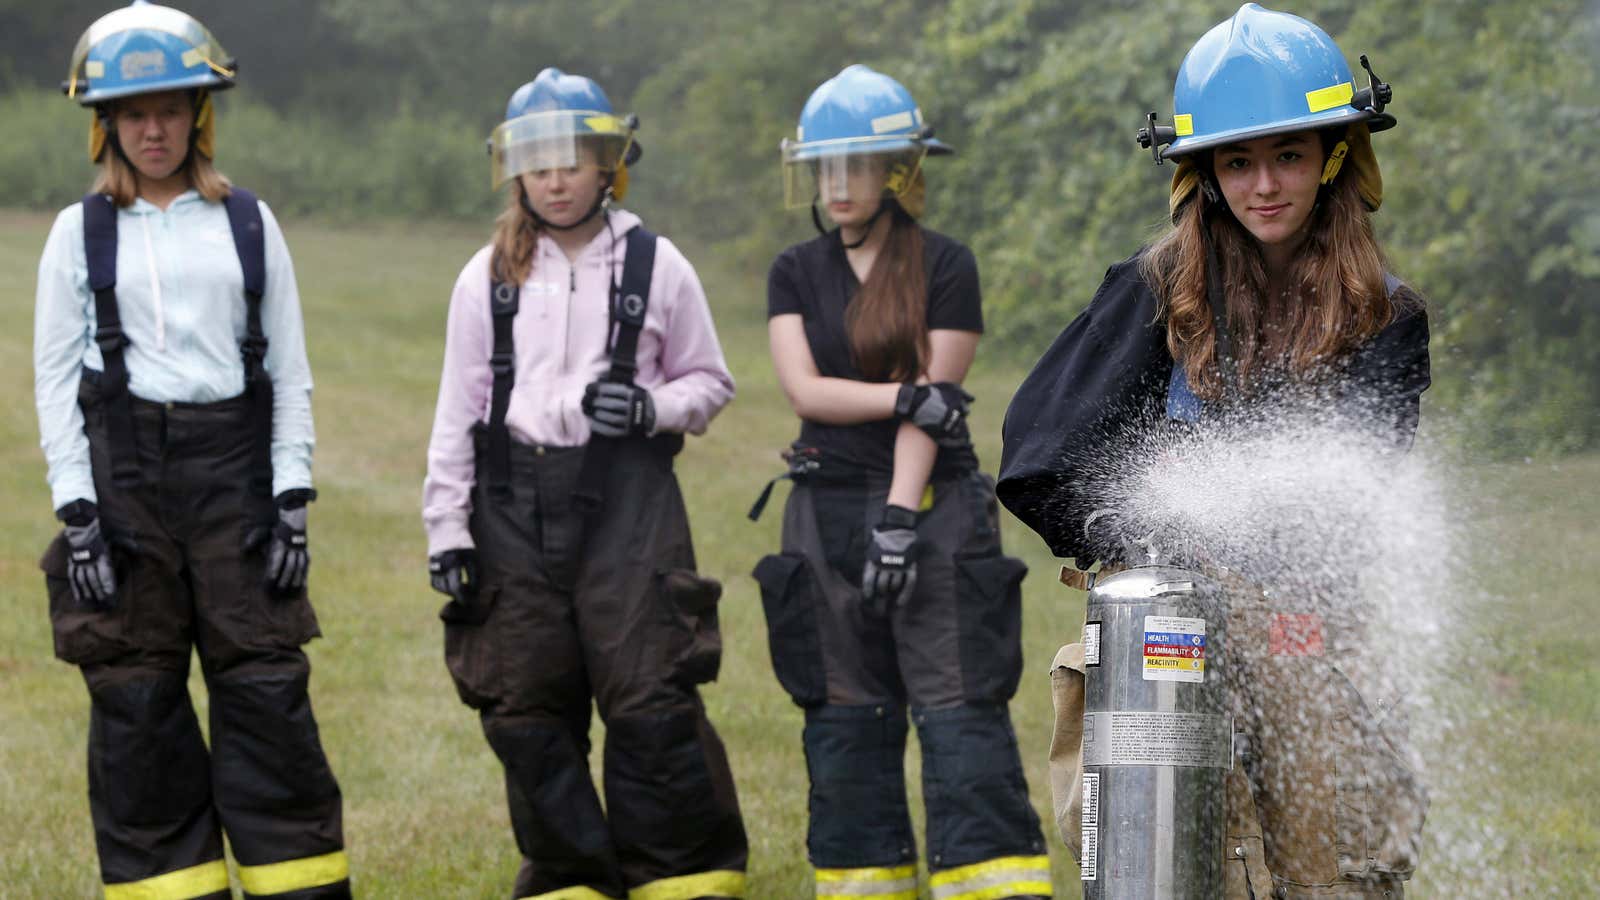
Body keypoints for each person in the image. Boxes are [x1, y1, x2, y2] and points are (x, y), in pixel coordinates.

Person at [997, 4, 1431, 897]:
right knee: (1180, 862)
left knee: (1338, 865)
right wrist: (1129, 524)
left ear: (1337, 156)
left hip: (1312, 629)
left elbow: (1363, 488)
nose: (1263, 184)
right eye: (1237, 161)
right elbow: (1039, 455)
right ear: (1202, 173)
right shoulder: (1154, 291)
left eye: (1289, 156)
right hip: (1169, 632)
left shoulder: (1387, 315)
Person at [33, 3, 350, 898]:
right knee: (136, 711)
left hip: (237, 488)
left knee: (266, 695)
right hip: (124, 491)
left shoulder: (247, 222)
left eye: (170, 109)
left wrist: (291, 495)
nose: (153, 128)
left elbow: (289, 369)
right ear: (106, 124)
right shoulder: (76, 233)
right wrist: (79, 513)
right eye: (133, 114)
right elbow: (54, 381)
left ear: (198, 113)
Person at [422, 67, 747, 900]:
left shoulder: (657, 263)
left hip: (629, 504)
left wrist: (649, 405)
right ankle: (570, 877)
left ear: (609, 164)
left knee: (649, 693)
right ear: (515, 172)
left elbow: (710, 383)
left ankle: (681, 877)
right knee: (524, 702)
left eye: (573, 159)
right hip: (509, 508)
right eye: (538, 163)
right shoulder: (484, 276)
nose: (557, 178)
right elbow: (458, 412)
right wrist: (447, 532)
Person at [753, 64, 1052, 900]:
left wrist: (895, 515)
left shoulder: (948, 265)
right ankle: (863, 882)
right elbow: (804, 392)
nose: (838, 183)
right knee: (843, 713)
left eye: (857, 164)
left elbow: (939, 409)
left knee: (959, 706)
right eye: (825, 166)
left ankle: (990, 882)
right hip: (821, 514)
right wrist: (899, 394)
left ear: (899, 170)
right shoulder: (793, 270)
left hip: (934, 512)